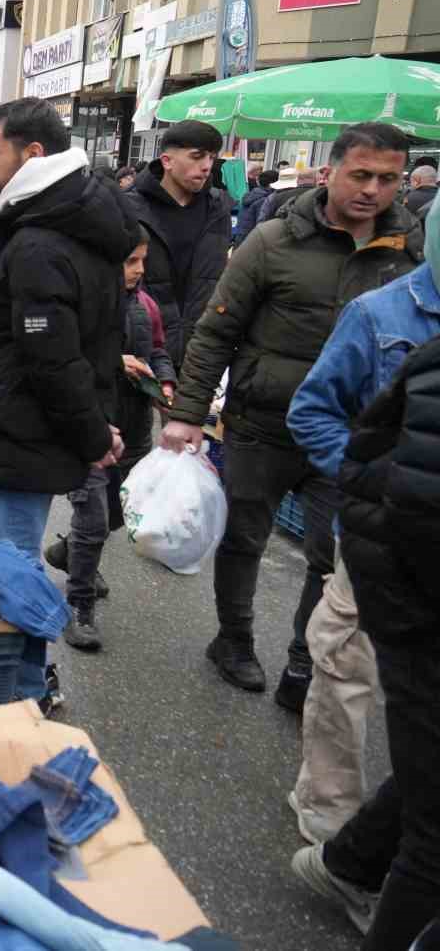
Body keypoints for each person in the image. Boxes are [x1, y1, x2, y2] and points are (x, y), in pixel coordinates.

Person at [160, 122, 424, 702]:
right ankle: (233, 638)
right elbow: (215, 331)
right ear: (329, 172)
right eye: (361, 175)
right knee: (245, 537)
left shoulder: (413, 251)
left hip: (357, 434)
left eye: (388, 179)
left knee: (335, 554)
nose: (373, 190)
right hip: (264, 423)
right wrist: (187, 413)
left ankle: (306, 660)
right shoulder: (273, 240)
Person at [0, 97, 138, 708]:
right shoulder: (79, 222)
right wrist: (95, 427)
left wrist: (91, 435)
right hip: (29, 429)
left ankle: (16, 697)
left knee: (8, 572)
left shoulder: (40, 242)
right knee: (16, 566)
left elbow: (51, 356)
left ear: (33, 155)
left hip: (14, 433)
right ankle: (29, 686)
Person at [290, 253, 440, 946]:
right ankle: (327, 818)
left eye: (390, 178)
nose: (375, 190)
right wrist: (371, 492)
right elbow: (313, 410)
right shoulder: (381, 314)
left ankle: (350, 856)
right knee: (346, 671)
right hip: (381, 549)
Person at [46, 229, 175, 651]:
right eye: (130, 262)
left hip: (135, 427)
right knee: (94, 519)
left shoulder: (147, 306)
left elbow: (158, 350)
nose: (139, 271)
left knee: (122, 510)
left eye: (143, 261)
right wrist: (112, 361)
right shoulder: (77, 306)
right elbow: (58, 359)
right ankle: (79, 606)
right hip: (90, 428)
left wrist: (166, 384)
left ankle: (70, 552)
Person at [121, 120, 232, 369]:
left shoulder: (218, 208)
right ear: (167, 161)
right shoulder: (127, 207)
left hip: (200, 352)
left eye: (211, 158)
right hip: (141, 352)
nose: (206, 167)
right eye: (197, 157)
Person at [235, 168, 279, 243]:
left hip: (241, 237)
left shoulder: (252, 194)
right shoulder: (265, 200)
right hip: (251, 241)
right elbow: (261, 224)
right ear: (272, 184)